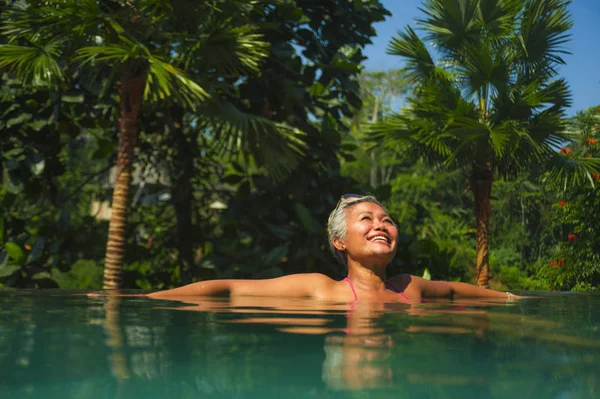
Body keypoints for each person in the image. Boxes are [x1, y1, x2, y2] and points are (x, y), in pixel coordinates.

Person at [146, 194, 517, 302]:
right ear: (340, 242)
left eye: (387, 219)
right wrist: (148, 298)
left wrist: (510, 299)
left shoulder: (409, 287)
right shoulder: (322, 289)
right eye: (367, 219)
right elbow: (229, 289)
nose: (381, 225)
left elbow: (454, 292)